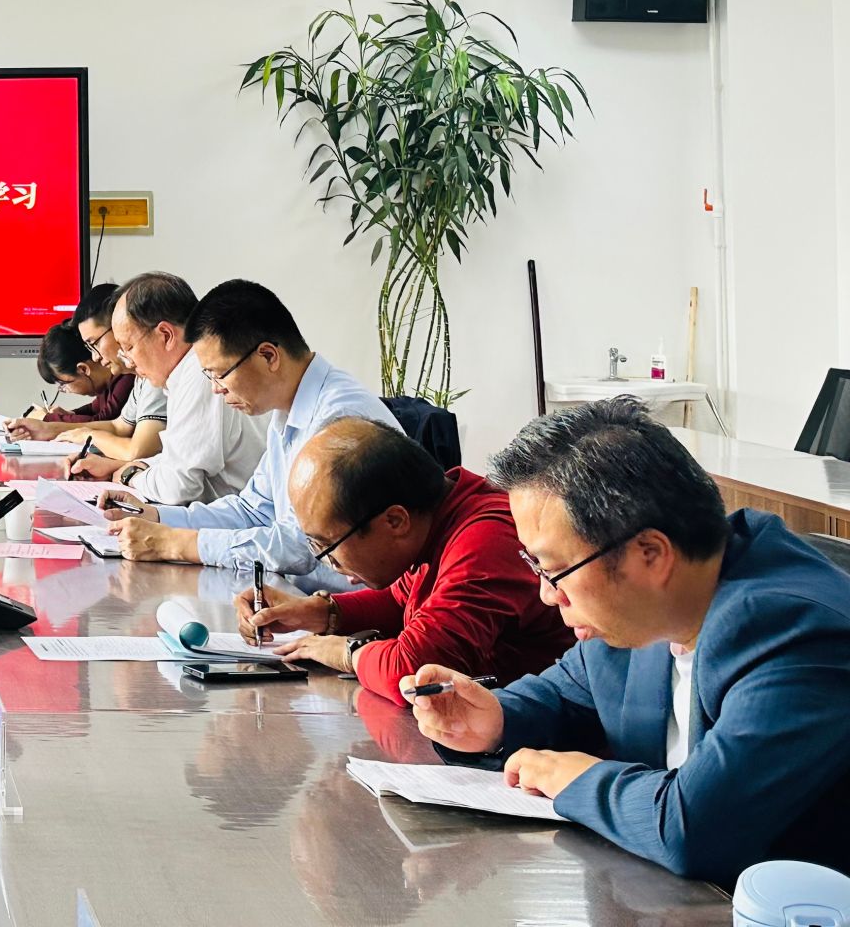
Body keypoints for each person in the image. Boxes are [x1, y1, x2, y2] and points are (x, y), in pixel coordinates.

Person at [405, 398, 850, 887]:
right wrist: (493, 722)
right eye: (536, 567)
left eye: (554, 570)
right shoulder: (646, 610)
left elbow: (695, 830)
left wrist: (573, 778)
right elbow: (563, 695)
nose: (547, 594)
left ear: (650, 554)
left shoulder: (797, 632)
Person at [233, 418, 570, 698]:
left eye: (329, 547)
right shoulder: (439, 516)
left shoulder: (485, 541)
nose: (333, 564)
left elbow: (414, 672)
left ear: (395, 521)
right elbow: (401, 601)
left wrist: (345, 652)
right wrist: (317, 613)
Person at [106, 279, 397, 579]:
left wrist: (177, 544)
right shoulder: (287, 410)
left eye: (220, 374)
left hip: (340, 599)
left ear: (268, 356)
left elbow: (301, 547)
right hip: (294, 590)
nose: (216, 389)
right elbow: (253, 510)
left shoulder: (338, 420)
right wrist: (158, 516)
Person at [72, 272, 266, 506]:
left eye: (129, 347)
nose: (128, 362)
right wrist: (126, 467)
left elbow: (178, 487)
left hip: (236, 518)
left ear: (165, 335)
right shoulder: (183, 374)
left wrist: (129, 476)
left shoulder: (198, 373)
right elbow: (177, 459)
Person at [7, 281, 169, 460]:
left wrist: (87, 434)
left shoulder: (154, 375)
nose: (95, 357)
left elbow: (136, 451)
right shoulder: (141, 377)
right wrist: (48, 428)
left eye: (94, 343)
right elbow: (118, 426)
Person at [27, 320, 132, 424]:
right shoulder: (108, 385)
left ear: (83, 369)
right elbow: (93, 408)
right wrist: (70, 414)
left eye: (63, 384)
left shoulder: (127, 376)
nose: (66, 390)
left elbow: (103, 420)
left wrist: (47, 418)